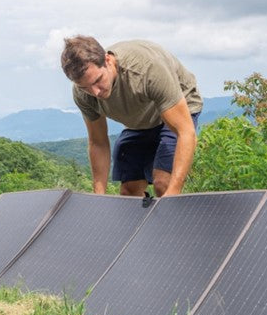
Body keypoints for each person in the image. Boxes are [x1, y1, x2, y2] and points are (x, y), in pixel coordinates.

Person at [60, 35, 203, 197]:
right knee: (129, 190)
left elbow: (186, 133)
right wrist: (98, 197)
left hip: (179, 105)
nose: (95, 92)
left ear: (107, 60)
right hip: (140, 117)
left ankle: (173, 221)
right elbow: (98, 142)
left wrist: (173, 193)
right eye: (85, 87)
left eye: (98, 80)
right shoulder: (82, 94)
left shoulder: (146, 70)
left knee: (163, 184)